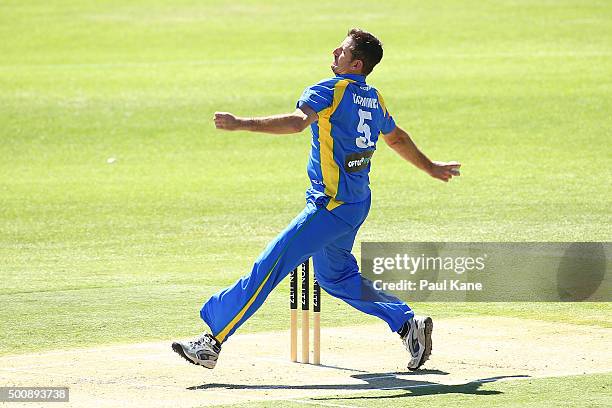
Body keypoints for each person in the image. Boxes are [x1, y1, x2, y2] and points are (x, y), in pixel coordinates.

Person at [172, 28, 460, 371]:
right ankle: (405, 322)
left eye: (342, 51)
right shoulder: (374, 98)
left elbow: (296, 123)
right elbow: (396, 138)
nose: (334, 52)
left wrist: (240, 123)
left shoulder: (330, 90)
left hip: (328, 207)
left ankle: (212, 341)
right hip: (356, 204)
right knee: (335, 276)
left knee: (268, 268)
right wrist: (430, 167)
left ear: (356, 63)